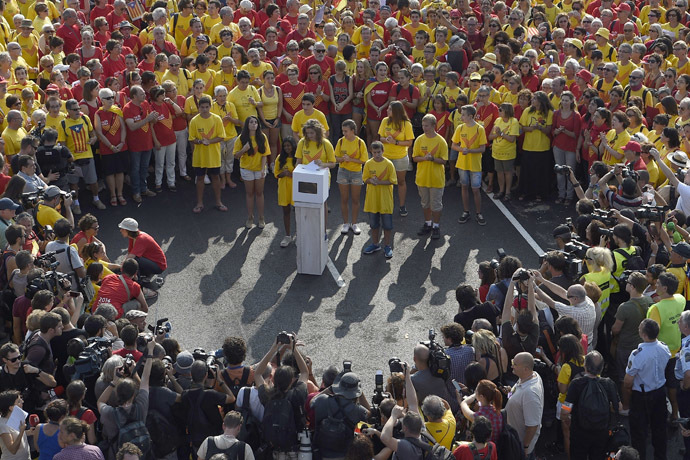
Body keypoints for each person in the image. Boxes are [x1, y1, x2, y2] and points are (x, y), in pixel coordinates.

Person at [97, 340, 154, 460]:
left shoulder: (110, 413)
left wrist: (114, 382)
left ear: (116, 394)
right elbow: (145, 380)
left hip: (117, 454)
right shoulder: (141, 406)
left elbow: (100, 402)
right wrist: (150, 352)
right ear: (134, 394)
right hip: (140, 454)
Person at [623, 319, 670, 460]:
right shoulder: (664, 347)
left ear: (644, 334)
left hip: (642, 397)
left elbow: (628, 381)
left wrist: (629, 394)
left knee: (639, 433)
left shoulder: (637, 354)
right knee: (660, 430)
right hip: (660, 393)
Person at [563, 351, 619, 460]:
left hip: (579, 432)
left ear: (585, 365)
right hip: (601, 432)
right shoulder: (608, 384)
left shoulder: (576, 384)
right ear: (602, 367)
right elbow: (619, 407)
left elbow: (565, 409)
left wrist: (566, 418)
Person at [57, 99, 104, 212]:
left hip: (87, 155)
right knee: (74, 183)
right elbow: (62, 145)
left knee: (93, 180)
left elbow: (92, 133)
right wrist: (68, 158)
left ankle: (96, 199)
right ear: (68, 110)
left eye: (79, 108)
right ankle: (76, 204)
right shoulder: (63, 124)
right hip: (73, 158)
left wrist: (93, 139)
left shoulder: (85, 118)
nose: (78, 111)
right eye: (75, 110)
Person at [612, 272, 653, 383]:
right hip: (642, 344)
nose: (626, 283)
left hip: (626, 345)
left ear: (632, 287)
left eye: (628, 282)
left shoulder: (624, 307)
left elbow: (616, 329)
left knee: (624, 375)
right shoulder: (649, 301)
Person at [189, 95, 227, 213]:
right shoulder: (194, 121)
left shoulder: (217, 119)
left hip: (214, 156)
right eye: (202, 107)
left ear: (210, 107)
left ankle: (218, 202)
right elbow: (191, 138)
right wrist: (200, 141)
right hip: (199, 156)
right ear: (199, 107)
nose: (204, 109)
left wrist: (209, 141)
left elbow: (221, 136)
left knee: (215, 177)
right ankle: (199, 203)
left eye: (206, 107)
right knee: (200, 178)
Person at [413, 114, 448, 239]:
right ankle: (428, 224)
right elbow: (415, 158)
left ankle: (436, 226)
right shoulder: (419, 139)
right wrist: (424, 158)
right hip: (422, 178)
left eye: (427, 125)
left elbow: (444, 161)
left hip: (436, 179)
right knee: (425, 204)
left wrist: (432, 159)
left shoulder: (441, 141)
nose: (424, 128)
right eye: (423, 125)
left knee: (436, 205)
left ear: (434, 126)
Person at [452, 105, 487, 226]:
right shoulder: (460, 128)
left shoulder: (479, 129)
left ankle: (478, 213)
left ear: (470, 116)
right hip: (462, 163)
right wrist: (462, 149)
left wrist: (470, 151)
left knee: (476, 189)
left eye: (463, 115)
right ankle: (466, 212)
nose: (461, 116)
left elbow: (482, 148)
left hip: (475, 165)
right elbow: (453, 145)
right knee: (464, 187)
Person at [123, 86, 159, 204]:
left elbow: (151, 122)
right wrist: (148, 119)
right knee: (135, 169)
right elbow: (132, 127)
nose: (144, 95)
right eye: (142, 93)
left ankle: (144, 189)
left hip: (147, 143)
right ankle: (136, 192)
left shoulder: (145, 104)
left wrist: (154, 118)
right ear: (134, 96)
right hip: (135, 145)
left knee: (144, 168)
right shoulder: (127, 108)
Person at [506, 352, 544, 459]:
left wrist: (525, 447)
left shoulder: (530, 394)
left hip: (520, 446)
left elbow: (532, 425)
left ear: (526, 369)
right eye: (512, 362)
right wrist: (509, 393)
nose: (512, 365)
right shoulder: (528, 376)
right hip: (514, 441)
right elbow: (515, 393)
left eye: (515, 364)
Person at [379, 100, 414, 217]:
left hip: (400, 157)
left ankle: (402, 206)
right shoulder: (385, 121)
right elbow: (381, 138)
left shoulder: (406, 124)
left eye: (389, 109)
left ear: (396, 112)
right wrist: (387, 140)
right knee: (385, 182)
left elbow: (409, 142)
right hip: (386, 157)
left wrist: (396, 142)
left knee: (401, 181)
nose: (387, 110)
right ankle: (385, 205)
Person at [362, 141, 397, 258]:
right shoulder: (368, 164)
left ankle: (387, 246)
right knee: (373, 224)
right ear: (371, 152)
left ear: (383, 151)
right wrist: (370, 181)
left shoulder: (389, 164)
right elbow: (365, 178)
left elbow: (393, 180)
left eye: (379, 152)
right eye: (374, 152)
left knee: (387, 225)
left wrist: (379, 182)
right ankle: (375, 244)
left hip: (385, 200)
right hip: (372, 201)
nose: (377, 154)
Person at [234, 116, 270, 229]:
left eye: (255, 122)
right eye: (251, 122)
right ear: (247, 125)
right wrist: (244, 149)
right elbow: (236, 156)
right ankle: (250, 217)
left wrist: (263, 169)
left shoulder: (262, 137)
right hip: (246, 169)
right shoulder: (241, 138)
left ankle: (261, 217)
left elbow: (265, 154)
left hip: (259, 169)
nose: (254, 124)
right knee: (249, 194)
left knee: (259, 193)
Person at [334, 120, 367, 236]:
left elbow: (364, 160)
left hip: (356, 173)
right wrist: (342, 159)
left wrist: (350, 159)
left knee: (355, 200)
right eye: (343, 131)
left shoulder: (360, 142)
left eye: (346, 131)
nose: (344, 133)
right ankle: (345, 223)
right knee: (344, 199)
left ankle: (354, 223)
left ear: (353, 131)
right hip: (342, 171)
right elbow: (335, 158)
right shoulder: (341, 141)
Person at [0, 390, 32, 460]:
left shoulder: (16, 418)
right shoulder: (2, 425)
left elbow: (15, 435)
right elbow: (13, 450)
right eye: (19, 402)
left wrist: (29, 432)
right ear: (11, 408)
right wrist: (21, 432)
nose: (22, 402)